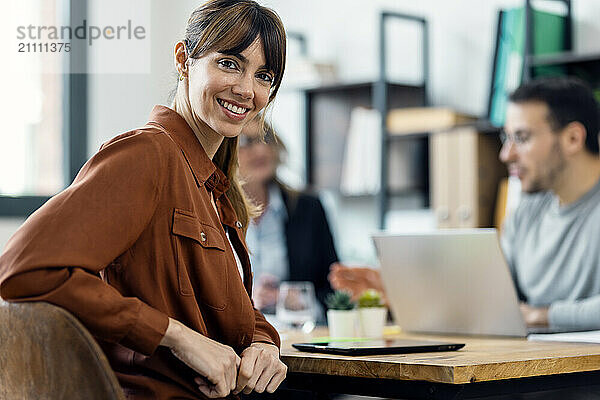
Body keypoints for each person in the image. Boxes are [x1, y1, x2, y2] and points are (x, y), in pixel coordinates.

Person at [0, 1, 288, 398]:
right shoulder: (148, 155)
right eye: (229, 63)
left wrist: (263, 343)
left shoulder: (211, 185)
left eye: (264, 75)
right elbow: (21, 270)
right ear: (184, 59)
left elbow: (220, 306)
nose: (246, 89)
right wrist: (178, 338)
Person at [330, 76, 600, 331]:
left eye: (522, 138)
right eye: (507, 138)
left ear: (573, 138)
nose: (506, 154)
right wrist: (406, 293)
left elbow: (522, 313)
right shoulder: (526, 214)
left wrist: (540, 316)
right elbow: (489, 297)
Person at [237, 117, 338, 319]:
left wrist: (302, 303)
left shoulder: (308, 207)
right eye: (247, 143)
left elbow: (333, 286)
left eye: (266, 138)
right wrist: (248, 300)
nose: (261, 150)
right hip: (237, 338)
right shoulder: (214, 209)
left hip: (298, 334)